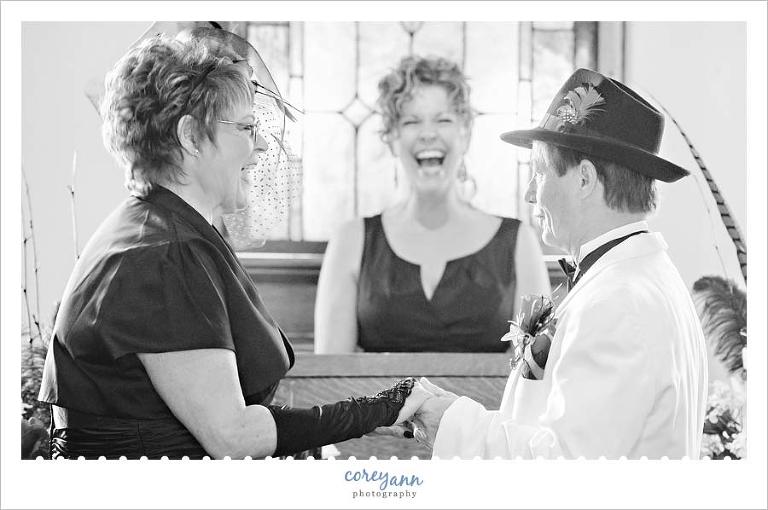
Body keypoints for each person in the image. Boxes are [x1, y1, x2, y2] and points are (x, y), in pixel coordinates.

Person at [37, 28, 429, 460]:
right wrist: (382, 409)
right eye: (246, 127)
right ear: (189, 136)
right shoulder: (164, 253)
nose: (261, 144)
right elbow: (234, 436)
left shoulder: (155, 229)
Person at [391, 69, 708, 459]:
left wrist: (451, 422)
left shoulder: (618, 302)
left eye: (538, 174)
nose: (528, 194)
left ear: (585, 179)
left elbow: (568, 467)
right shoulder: (640, 278)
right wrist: (452, 413)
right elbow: (563, 434)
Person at [314, 56, 550, 353]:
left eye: (443, 120)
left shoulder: (520, 243)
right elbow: (331, 375)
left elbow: (535, 374)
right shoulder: (350, 240)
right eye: (411, 121)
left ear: (465, 134)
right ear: (392, 137)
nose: (428, 133)